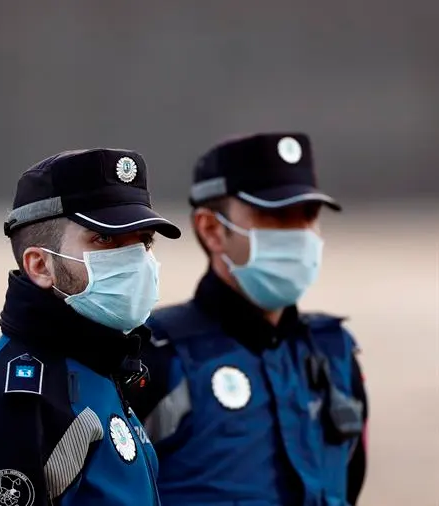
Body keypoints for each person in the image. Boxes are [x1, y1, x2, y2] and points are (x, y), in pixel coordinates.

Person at [0, 148, 182, 506]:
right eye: (105, 240)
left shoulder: (98, 369)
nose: (136, 260)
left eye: (143, 241)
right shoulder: (13, 409)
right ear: (40, 265)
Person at [126, 133, 368, 505]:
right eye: (276, 215)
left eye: (309, 215)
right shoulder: (153, 356)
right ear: (211, 229)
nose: (300, 234)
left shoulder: (335, 351)